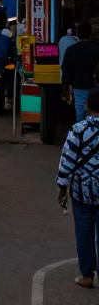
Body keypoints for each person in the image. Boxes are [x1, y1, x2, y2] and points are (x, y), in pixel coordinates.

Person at [57, 87, 99, 287]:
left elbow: (68, 160)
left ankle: (87, 275)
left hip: (82, 191)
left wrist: (62, 187)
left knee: (84, 233)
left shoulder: (78, 129)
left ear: (86, 105)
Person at [61, 22, 99, 123]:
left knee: (80, 114)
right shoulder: (96, 49)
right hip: (94, 88)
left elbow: (66, 70)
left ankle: (82, 135)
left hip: (78, 87)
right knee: (95, 113)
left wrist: (65, 87)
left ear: (77, 34)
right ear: (90, 34)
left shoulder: (70, 50)